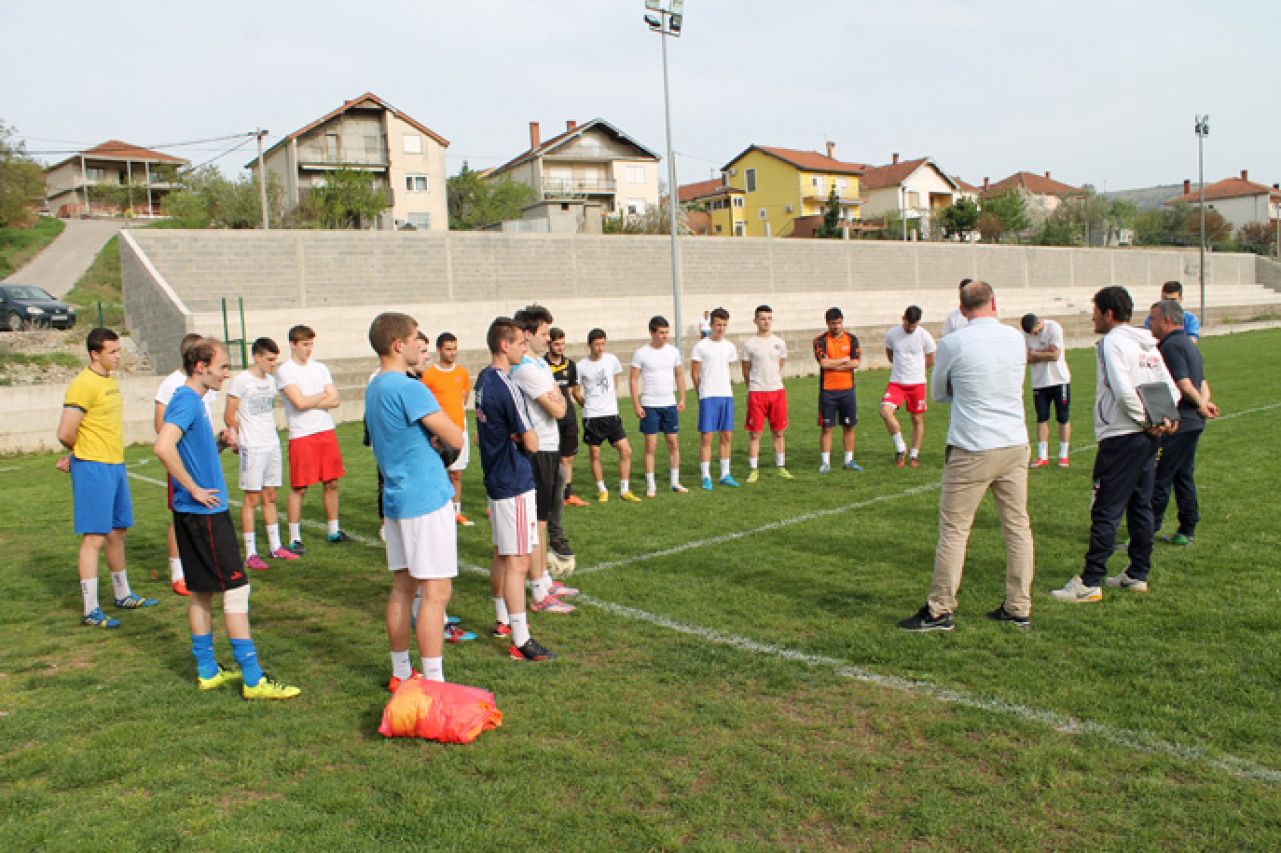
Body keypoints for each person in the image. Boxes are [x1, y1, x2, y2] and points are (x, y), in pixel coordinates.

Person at [154, 338, 300, 699]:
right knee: (237, 590)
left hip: (193, 513)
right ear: (201, 366)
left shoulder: (191, 401)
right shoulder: (187, 400)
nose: (226, 373)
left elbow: (185, 447)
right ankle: (253, 679)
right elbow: (163, 446)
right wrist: (194, 489)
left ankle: (207, 670)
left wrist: (217, 444)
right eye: (221, 366)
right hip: (205, 513)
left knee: (202, 592)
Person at [899, 282, 1035, 631]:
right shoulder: (1014, 338)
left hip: (973, 446)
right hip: (1014, 442)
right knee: (1017, 527)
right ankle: (1019, 605)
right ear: (994, 303)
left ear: (962, 309)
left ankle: (940, 608)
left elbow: (940, 393)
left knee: (955, 530)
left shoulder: (954, 342)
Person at [1051, 285, 1179, 602]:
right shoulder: (1147, 344)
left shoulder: (1113, 343)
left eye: (1094, 310)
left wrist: (1148, 422)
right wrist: (1162, 419)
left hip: (1122, 439)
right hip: (1146, 438)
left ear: (1108, 313)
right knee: (1140, 506)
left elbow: (1123, 392)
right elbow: (1171, 388)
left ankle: (1090, 582)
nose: (1092, 316)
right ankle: (1137, 573)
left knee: (1106, 508)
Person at [365, 313, 466, 689]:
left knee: (403, 587)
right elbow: (454, 436)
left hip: (395, 496)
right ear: (397, 345)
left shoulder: (374, 387)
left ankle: (400, 671)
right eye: (413, 339)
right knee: (436, 592)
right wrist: (442, 436)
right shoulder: (409, 387)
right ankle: (434, 681)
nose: (419, 345)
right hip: (424, 496)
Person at [57, 327, 156, 628]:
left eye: (118, 350)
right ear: (94, 354)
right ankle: (90, 610)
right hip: (94, 467)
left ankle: (122, 594)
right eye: (112, 351)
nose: (117, 356)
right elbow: (65, 432)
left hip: (115, 465)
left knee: (118, 531)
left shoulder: (109, 381)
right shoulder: (82, 385)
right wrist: (81, 455)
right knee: (95, 537)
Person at [475, 317, 557, 661]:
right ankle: (521, 639)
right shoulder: (506, 385)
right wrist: (522, 437)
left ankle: (502, 620)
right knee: (518, 560)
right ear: (504, 345)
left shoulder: (481, 379)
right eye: (520, 344)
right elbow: (533, 443)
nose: (525, 350)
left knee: (502, 552)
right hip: (513, 479)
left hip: (496, 477)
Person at [511, 305, 577, 606]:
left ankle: (544, 581)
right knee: (537, 523)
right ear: (527, 334)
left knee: (544, 517)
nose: (548, 338)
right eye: (543, 333)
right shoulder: (524, 367)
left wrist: (557, 399)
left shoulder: (537, 364)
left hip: (550, 447)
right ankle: (539, 589)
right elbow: (557, 408)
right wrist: (557, 399)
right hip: (538, 451)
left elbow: (562, 404)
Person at [1148, 298, 1220, 546]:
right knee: (1182, 475)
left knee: (1160, 477)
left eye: (1153, 318)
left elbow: (1184, 383)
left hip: (1179, 423)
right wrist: (1203, 403)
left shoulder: (1170, 347)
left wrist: (1200, 406)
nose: (1150, 323)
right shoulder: (1188, 344)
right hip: (1192, 421)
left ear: (1167, 320)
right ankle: (1187, 527)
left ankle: (1146, 532)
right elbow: (1202, 382)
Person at [224, 336, 298, 570]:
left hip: (271, 443)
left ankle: (275, 546)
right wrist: (235, 437)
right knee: (251, 499)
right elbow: (229, 414)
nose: (272, 364)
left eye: (275, 360)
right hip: (253, 445)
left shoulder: (271, 381)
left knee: (271, 496)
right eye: (269, 360)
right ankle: (251, 552)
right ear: (256, 357)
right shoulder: (241, 381)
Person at [277, 325, 346, 554]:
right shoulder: (286, 371)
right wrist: (320, 397)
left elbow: (335, 399)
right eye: (304, 344)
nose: (308, 349)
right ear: (293, 345)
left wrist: (312, 399)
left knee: (332, 482)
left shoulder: (320, 368)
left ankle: (333, 529)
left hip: (325, 430)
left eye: (311, 344)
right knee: (300, 487)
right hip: (302, 434)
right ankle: (295, 537)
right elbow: (299, 402)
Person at [153, 332, 212, 596]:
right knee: (181, 515)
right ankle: (178, 573)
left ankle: (200, 566)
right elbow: (161, 426)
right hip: (182, 460)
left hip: (205, 461)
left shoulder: (205, 383)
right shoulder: (172, 385)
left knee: (205, 512)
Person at [579, 328, 642, 503]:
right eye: (596, 344)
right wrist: (584, 403)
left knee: (626, 450)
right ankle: (602, 490)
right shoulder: (581, 366)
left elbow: (614, 379)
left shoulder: (611, 360)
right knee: (595, 453)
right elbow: (576, 390)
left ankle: (624, 490)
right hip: (592, 417)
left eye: (602, 344)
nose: (600, 348)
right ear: (589, 345)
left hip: (611, 415)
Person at [421, 332, 474, 527]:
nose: (452, 353)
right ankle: (435, 511)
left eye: (454, 348)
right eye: (448, 349)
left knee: (457, 473)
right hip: (439, 432)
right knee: (437, 472)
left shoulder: (461, 373)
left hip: (460, 429)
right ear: (439, 350)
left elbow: (464, 397)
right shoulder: (429, 375)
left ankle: (455, 512)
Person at [630, 315, 688, 496]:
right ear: (652, 333)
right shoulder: (641, 353)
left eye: (666, 332)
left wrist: (683, 397)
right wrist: (636, 404)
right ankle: (651, 485)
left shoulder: (673, 352)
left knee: (673, 443)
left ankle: (675, 482)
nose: (665, 336)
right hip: (650, 405)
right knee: (651, 446)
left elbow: (679, 375)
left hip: (669, 404)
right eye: (661, 333)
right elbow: (633, 379)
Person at [740, 304, 792, 483]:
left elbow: (780, 364)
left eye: (769, 318)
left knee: (778, 432)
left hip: (777, 391)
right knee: (755, 434)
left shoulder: (780, 342)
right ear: (755, 321)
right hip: (757, 393)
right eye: (762, 318)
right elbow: (746, 369)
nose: (766, 322)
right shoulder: (749, 344)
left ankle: (781, 467)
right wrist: (753, 385)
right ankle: (754, 469)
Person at [880, 305, 936, 468]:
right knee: (885, 412)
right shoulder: (892, 334)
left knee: (916, 418)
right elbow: (890, 354)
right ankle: (900, 447)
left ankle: (914, 454)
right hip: (897, 383)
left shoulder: (924, 335)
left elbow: (931, 356)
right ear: (903, 318)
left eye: (914, 325)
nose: (911, 328)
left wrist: (919, 372)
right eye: (908, 324)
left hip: (917, 384)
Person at [690, 307, 739, 490]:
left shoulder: (729, 347)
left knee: (726, 435)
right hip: (708, 396)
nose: (721, 328)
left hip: (726, 395)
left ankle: (725, 474)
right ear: (711, 324)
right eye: (718, 324)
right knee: (707, 437)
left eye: (724, 325)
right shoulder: (701, 346)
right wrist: (700, 393)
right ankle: (706, 476)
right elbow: (695, 373)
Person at [545, 327, 590, 508]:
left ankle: (567, 495)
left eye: (562, 344)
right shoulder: (541, 366)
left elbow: (574, 391)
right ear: (549, 344)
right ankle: (549, 494)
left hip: (568, 418)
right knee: (550, 459)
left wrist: (586, 404)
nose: (560, 347)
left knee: (568, 458)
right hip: (550, 419)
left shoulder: (571, 365)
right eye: (556, 344)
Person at [1020, 313, 1072, 468]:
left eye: (1034, 332)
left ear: (1038, 324)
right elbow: (1026, 358)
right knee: (1041, 418)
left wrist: (1035, 353)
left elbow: (1055, 355)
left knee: (1063, 417)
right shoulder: (1025, 334)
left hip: (1059, 379)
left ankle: (1063, 455)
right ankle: (1042, 456)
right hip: (1039, 382)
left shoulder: (1054, 328)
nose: (1033, 335)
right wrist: (1044, 353)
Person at [813, 307, 861, 473]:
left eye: (839, 323)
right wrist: (844, 361)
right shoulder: (820, 341)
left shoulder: (852, 339)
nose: (837, 326)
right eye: (833, 324)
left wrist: (835, 364)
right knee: (827, 428)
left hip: (847, 390)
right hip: (828, 391)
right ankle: (825, 462)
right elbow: (824, 364)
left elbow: (856, 363)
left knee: (849, 426)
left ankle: (849, 460)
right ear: (827, 323)